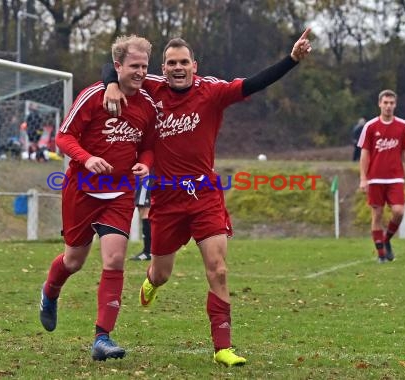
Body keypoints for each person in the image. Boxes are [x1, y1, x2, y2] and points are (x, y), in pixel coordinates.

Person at [102, 29, 312, 366]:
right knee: (160, 273)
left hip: (204, 195)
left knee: (218, 269)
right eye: (171, 63)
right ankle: (152, 282)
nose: (178, 67)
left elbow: (255, 83)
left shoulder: (212, 91)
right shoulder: (152, 88)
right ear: (163, 67)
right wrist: (111, 83)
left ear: (194, 65)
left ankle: (223, 348)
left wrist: (290, 60)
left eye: (184, 62)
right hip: (167, 199)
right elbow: (116, 67)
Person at [38, 35, 157, 362]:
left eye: (145, 66)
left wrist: (144, 164)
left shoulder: (147, 105)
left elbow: (148, 145)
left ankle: (102, 337)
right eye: (134, 66)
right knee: (73, 261)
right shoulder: (93, 95)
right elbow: (63, 136)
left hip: (119, 193)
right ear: (117, 66)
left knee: (115, 259)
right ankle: (50, 292)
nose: (140, 72)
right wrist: (87, 158)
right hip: (81, 190)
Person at [357, 89, 405, 263]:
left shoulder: (403, 126)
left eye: (391, 103)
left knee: (398, 211)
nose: (388, 106)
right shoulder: (371, 126)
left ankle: (386, 239)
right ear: (380, 104)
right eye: (385, 103)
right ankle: (381, 255)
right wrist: (363, 178)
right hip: (375, 177)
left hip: (395, 177)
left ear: (395, 105)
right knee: (377, 215)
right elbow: (365, 153)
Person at [130, 174, 153, 261]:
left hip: (148, 174)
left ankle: (148, 251)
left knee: (145, 210)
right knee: (145, 209)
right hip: (147, 174)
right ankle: (150, 250)